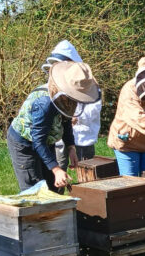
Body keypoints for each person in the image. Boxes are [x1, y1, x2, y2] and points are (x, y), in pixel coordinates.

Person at [8, 61, 100, 192]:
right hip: (25, 144)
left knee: (52, 186)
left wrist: (71, 147)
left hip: (45, 140)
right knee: (35, 190)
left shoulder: (66, 99)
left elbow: (66, 121)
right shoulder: (44, 103)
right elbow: (38, 141)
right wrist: (56, 169)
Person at [41, 40, 103, 169]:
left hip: (83, 136)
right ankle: (58, 189)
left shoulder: (86, 81)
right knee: (58, 170)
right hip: (60, 135)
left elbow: (94, 107)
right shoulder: (55, 83)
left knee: (87, 171)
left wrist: (76, 117)